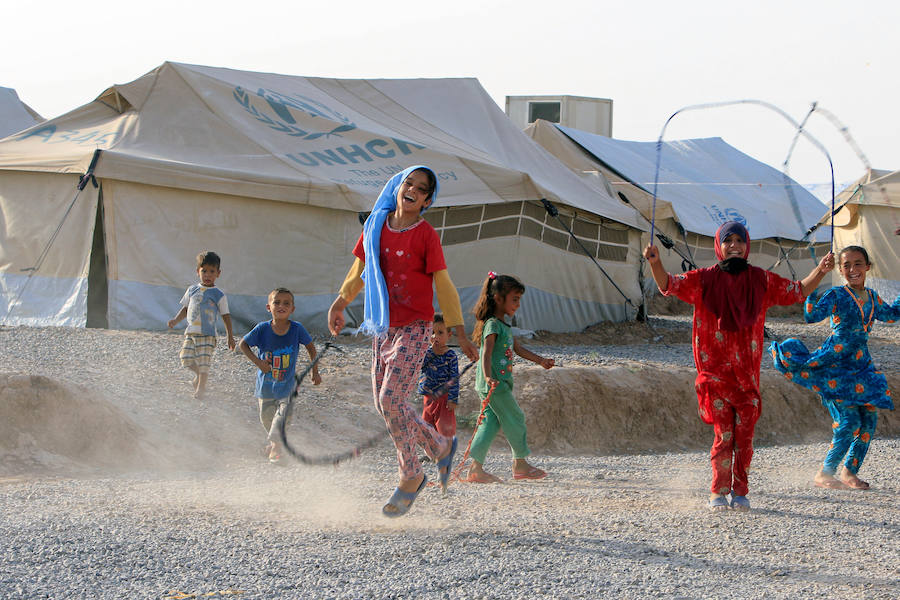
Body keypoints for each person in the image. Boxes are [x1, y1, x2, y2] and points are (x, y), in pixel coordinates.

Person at [643, 221, 834, 511]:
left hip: (746, 378)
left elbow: (797, 291)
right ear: (718, 246)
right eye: (728, 240)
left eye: (740, 240)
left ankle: (741, 491)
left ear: (747, 246)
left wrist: (821, 270)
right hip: (715, 376)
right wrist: (655, 263)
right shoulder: (704, 279)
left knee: (744, 439)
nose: (734, 245)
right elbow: (669, 285)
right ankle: (717, 491)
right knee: (724, 436)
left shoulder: (761, 281)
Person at [326, 165, 478, 517]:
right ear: (397, 186)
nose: (412, 190)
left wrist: (458, 330)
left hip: (415, 327)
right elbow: (360, 270)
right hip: (383, 326)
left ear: (427, 201)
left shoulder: (425, 235)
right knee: (386, 406)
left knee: (391, 400)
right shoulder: (375, 226)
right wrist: (340, 303)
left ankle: (411, 474)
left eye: (421, 189)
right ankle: (439, 446)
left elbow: (443, 284)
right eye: (408, 183)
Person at [770, 245, 899, 490]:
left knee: (869, 419)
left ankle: (849, 472)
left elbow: (893, 315)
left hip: (861, 366)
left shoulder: (872, 298)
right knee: (849, 421)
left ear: (867, 267)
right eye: (846, 265)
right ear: (840, 270)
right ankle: (825, 473)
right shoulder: (837, 294)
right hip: (834, 366)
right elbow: (811, 316)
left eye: (858, 263)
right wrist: (818, 277)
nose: (853, 269)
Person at [466, 272, 555, 484]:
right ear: (498, 298)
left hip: (494, 383)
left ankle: (475, 469)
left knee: (490, 423)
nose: (518, 304)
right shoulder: (492, 325)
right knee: (515, 418)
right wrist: (488, 377)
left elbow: (518, 349)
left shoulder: (503, 325)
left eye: (519, 299)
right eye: (514, 299)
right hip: (494, 384)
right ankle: (520, 464)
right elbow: (486, 353)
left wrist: (541, 361)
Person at [239, 288, 321, 464]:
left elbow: (311, 347)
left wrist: (315, 371)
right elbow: (243, 344)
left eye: (286, 303)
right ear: (268, 307)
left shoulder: (297, 329)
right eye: (276, 302)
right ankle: (274, 445)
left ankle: (276, 450)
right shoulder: (262, 329)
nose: (281, 306)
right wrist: (258, 362)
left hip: (287, 387)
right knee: (267, 419)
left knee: (282, 417)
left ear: (292, 309)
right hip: (265, 387)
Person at [168, 251, 235, 399]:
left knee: (204, 362)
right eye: (204, 271)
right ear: (198, 271)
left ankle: (201, 388)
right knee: (185, 358)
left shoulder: (218, 294)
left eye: (212, 271)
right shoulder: (192, 290)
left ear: (218, 273)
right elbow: (186, 308)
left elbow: (225, 316)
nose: (207, 275)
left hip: (207, 334)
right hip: (191, 332)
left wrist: (230, 336)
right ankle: (199, 376)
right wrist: (175, 320)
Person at [418, 313, 460, 438]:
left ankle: (447, 448)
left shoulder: (450, 355)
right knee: (427, 428)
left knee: (445, 429)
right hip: (428, 398)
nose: (435, 336)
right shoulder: (426, 352)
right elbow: (419, 366)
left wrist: (453, 399)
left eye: (440, 333)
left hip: (444, 399)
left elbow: (454, 378)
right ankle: (431, 449)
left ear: (449, 335)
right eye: (432, 332)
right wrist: (431, 352)